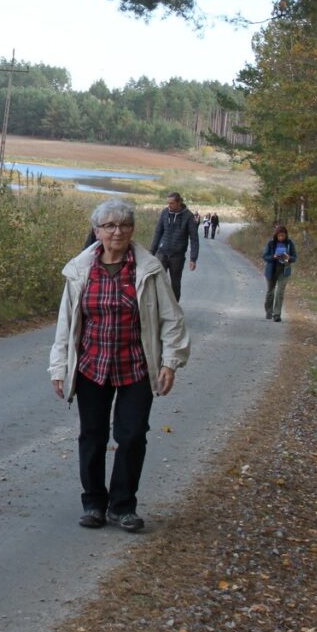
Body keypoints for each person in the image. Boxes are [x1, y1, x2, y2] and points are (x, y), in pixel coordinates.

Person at [49, 199, 190, 532]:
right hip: (91, 367)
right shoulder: (80, 270)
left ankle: (123, 506)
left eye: (125, 225)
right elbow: (66, 323)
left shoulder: (149, 270)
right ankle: (94, 503)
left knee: (132, 436)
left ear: (133, 230)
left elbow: (172, 320)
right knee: (92, 436)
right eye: (109, 226)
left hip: (136, 367)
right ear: (97, 231)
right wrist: (58, 367)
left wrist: (170, 361)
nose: (118, 231)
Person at [149, 191, 199, 302]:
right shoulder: (165, 213)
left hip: (177, 256)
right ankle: (158, 307)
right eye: (168, 203)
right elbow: (158, 232)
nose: (169, 206)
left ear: (179, 202)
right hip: (162, 253)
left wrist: (193, 259)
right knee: (157, 280)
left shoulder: (189, 217)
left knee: (175, 283)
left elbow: (194, 239)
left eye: (171, 203)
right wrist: (151, 252)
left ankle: (174, 310)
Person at [263, 224, 297, 322]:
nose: (281, 237)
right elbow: (265, 256)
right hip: (272, 270)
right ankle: (269, 311)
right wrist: (273, 257)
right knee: (270, 292)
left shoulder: (290, 244)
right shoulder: (271, 243)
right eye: (279, 236)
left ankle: (277, 314)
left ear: (286, 235)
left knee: (280, 292)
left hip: (284, 270)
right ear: (276, 235)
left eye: (283, 235)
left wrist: (289, 258)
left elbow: (295, 257)